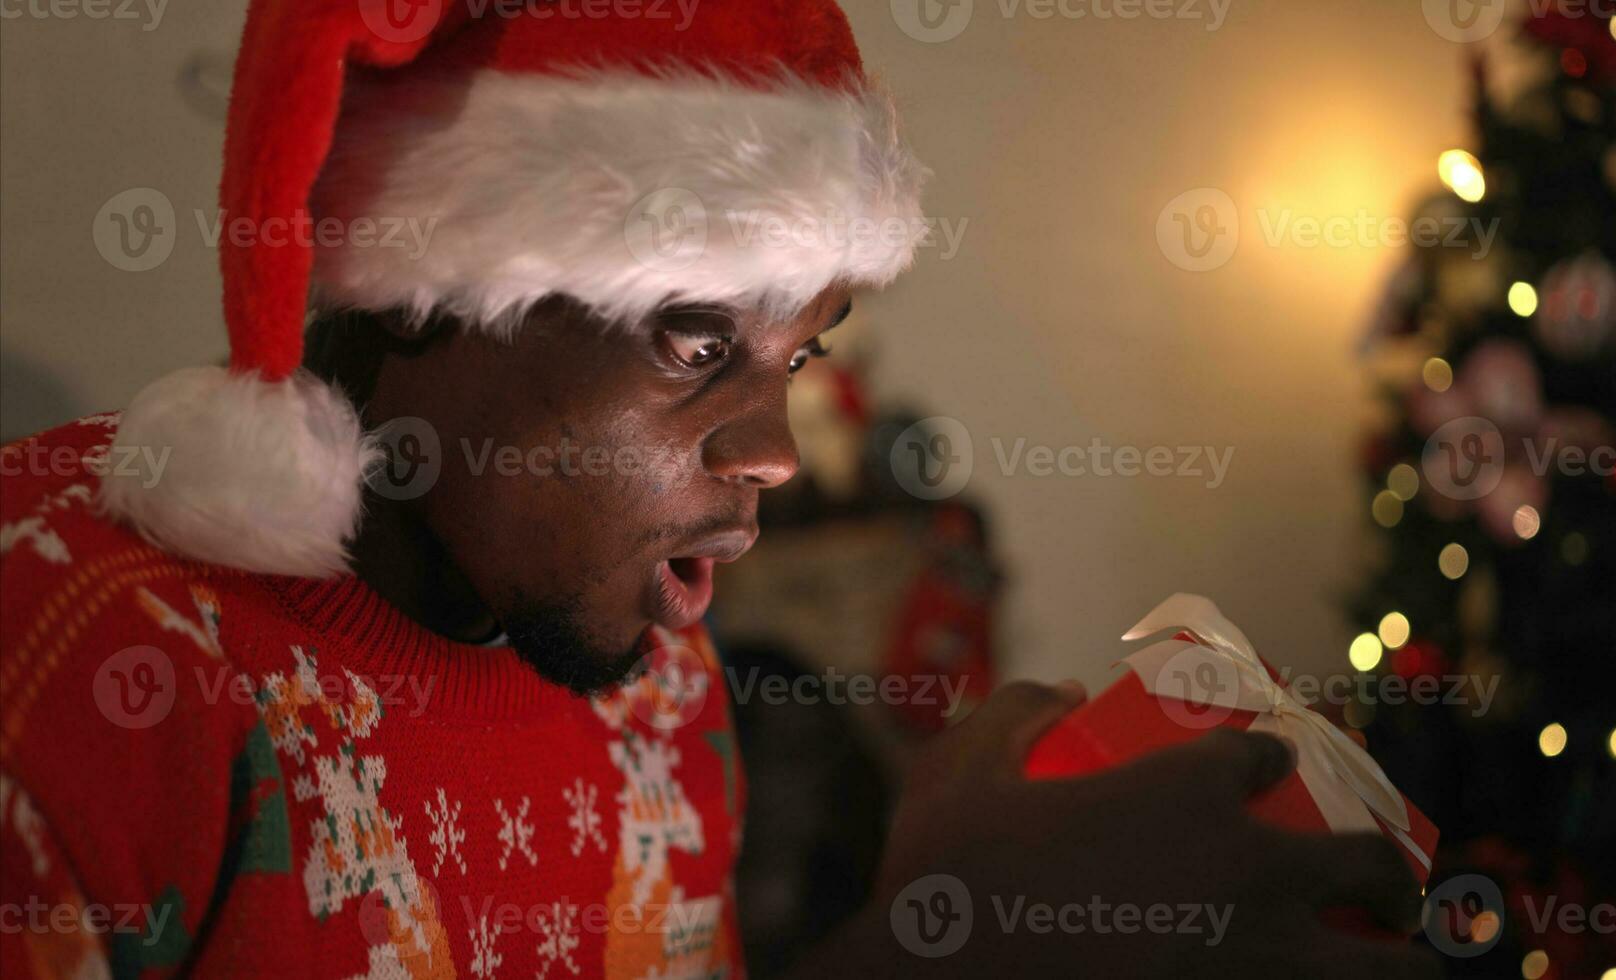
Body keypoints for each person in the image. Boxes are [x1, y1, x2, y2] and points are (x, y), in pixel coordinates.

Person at [0, 1, 1437, 976]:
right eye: (697, 343)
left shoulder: (656, 679)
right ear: (427, 297)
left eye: (798, 353)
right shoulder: (74, 653)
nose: (774, 453)